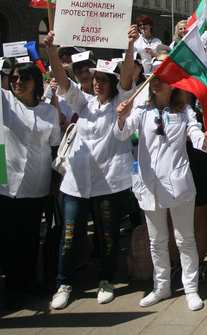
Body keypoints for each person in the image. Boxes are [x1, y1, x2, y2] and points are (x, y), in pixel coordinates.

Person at [44, 28, 139, 310]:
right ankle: (64, 283)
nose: (96, 83)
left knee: (108, 235)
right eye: (94, 79)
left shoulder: (120, 105)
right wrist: (51, 50)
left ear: (111, 83)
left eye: (101, 79)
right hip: (75, 183)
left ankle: (106, 280)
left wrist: (130, 46)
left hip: (107, 184)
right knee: (70, 236)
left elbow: (125, 77)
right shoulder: (83, 103)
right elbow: (63, 81)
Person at [114, 74, 207, 311]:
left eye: (161, 78)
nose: (156, 82)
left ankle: (191, 289)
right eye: (153, 79)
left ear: (173, 84)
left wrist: (206, 139)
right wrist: (121, 117)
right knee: (157, 240)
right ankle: (161, 287)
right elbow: (122, 134)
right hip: (149, 185)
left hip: (178, 185)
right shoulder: (142, 109)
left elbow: (197, 137)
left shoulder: (184, 111)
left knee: (184, 239)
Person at [0, 60, 61, 310]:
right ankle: (13, 287)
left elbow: (54, 148)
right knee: (8, 239)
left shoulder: (49, 112)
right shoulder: (4, 102)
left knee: (30, 237)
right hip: (5, 186)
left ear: (35, 83)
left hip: (35, 185)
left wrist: (54, 182)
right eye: (15, 78)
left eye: (24, 78)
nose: (18, 82)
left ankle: (30, 280)